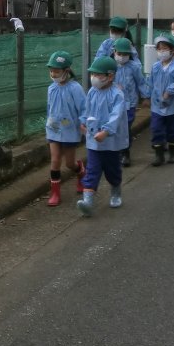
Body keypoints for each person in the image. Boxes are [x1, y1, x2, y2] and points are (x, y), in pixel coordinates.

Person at [76, 57, 128, 217]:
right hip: (93, 141)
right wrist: (82, 122)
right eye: (93, 74)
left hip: (111, 141)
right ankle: (88, 202)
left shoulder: (117, 95)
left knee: (113, 170)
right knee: (92, 170)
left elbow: (116, 116)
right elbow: (87, 109)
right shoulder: (92, 92)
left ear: (110, 76)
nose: (94, 78)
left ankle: (116, 191)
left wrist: (105, 131)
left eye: (98, 75)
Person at [43, 51, 86, 206]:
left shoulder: (75, 88)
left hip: (70, 131)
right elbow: (50, 108)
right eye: (51, 70)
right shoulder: (51, 88)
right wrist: (47, 125)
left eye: (57, 71)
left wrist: (83, 122)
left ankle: (80, 171)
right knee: (55, 160)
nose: (53, 74)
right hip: (53, 129)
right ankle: (55, 193)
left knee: (69, 163)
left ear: (66, 71)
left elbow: (83, 108)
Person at [145, 33, 174, 166]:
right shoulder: (156, 66)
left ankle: (172, 153)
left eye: (164, 48)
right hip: (157, 105)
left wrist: (169, 91)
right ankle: (159, 156)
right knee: (156, 128)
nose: (161, 52)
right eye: (159, 49)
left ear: (172, 50)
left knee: (173, 130)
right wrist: (147, 96)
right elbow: (150, 82)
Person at [111, 38, 145, 167]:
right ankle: (116, 151)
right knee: (115, 127)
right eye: (119, 54)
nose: (122, 57)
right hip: (113, 104)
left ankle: (125, 152)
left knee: (125, 128)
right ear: (114, 52)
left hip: (129, 103)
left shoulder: (134, 67)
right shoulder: (110, 66)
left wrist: (146, 96)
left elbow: (141, 82)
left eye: (125, 54)